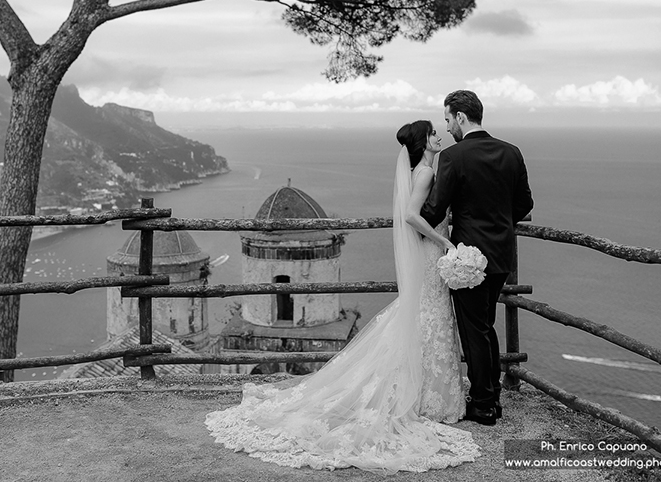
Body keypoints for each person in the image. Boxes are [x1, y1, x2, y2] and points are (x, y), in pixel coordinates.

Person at [203, 121, 480, 474]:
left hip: (428, 256)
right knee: (430, 319)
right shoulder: (425, 172)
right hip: (431, 253)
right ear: (423, 141)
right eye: (432, 133)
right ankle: (427, 396)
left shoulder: (421, 169)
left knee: (425, 320)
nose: (438, 136)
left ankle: (424, 392)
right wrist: (444, 242)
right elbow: (412, 215)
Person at [421, 90, 534, 426]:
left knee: (474, 330)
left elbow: (436, 207)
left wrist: (410, 212)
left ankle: (483, 404)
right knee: (485, 325)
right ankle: (492, 396)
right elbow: (524, 204)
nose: (447, 127)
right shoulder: (511, 152)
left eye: (447, 119)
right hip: (501, 254)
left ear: (459, 117)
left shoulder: (454, 156)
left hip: (468, 257)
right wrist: (500, 225)